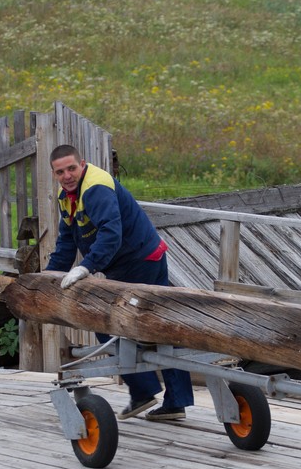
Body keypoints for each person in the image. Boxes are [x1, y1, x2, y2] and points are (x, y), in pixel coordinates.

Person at [44, 144, 194, 421]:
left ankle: (144, 392)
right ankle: (171, 401)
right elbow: (67, 239)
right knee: (159, 329)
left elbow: (111, 234)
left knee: (109, 321)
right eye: (60, 171)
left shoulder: (95, 189)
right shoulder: (67, 195)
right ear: (54, 174)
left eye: (71, 168)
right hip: (126, 261)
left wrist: (86, 266)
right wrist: (49, 277)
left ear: (83, 164)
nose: (67, 175)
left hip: (141, 260)